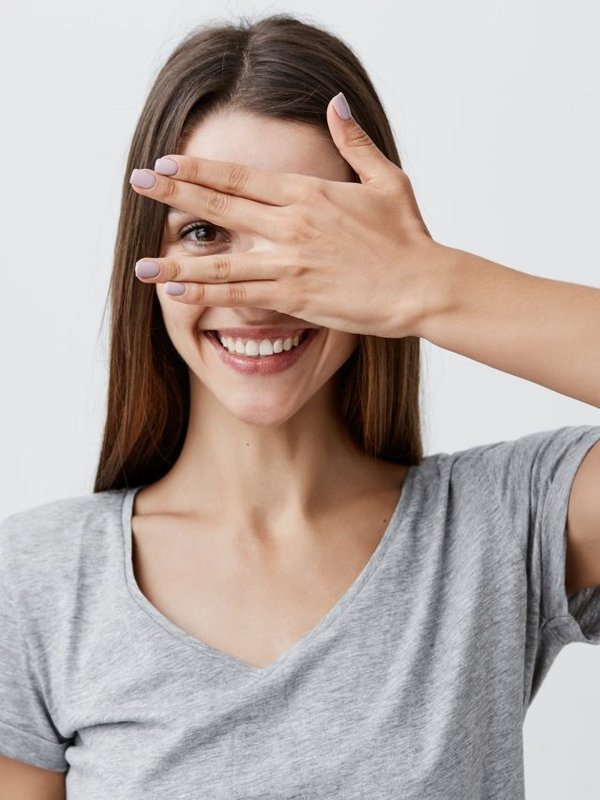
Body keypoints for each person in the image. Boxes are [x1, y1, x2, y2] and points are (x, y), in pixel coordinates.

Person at [1, 12, 599, 800]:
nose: (260, 294)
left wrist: (430, 286)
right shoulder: (36, 581)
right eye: (207, 231)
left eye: (307, 240)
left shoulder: (505, 523)